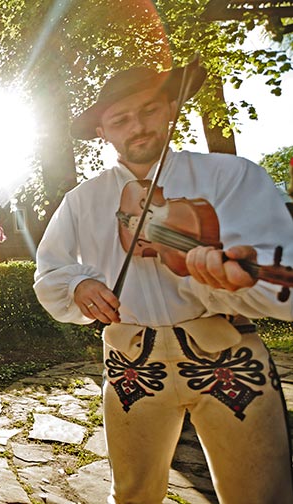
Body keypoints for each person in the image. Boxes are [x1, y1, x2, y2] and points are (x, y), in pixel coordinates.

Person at [33, 65, 293, 503]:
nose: (137, 127)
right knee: (133, 494)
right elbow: (50, 270)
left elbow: (279, 274)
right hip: (133, 363)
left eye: (149, 110)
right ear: (103, 132)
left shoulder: (231, 176)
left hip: (226, 354)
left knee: (260, 493)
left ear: (171, 109)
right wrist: (78, 286)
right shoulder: (82, 200)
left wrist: (232, 282)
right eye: (121, 120)